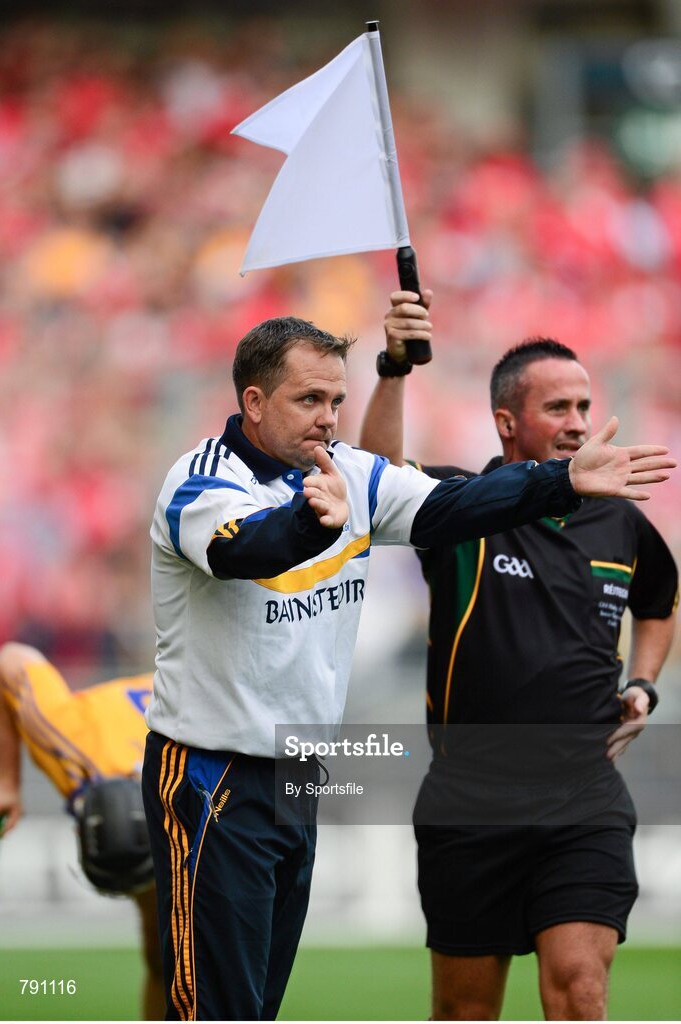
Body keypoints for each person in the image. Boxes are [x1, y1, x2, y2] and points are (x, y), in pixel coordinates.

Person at [143, 312, 675, 1021]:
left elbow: (455, 503)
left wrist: (561, 481)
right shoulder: (203, 482)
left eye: (336, 401)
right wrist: (311, 523)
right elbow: (248, 550)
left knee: (258, 1003)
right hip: (214, 768)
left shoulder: (349, 473)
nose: (329, 418)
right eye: (310, 401)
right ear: (254, 402)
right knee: (216, 1007)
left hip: (298, 769)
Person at [360, 291, 679, 1021]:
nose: (578, 423)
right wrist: (394, 368)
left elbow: (660, 602)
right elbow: (373, 479)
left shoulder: (621, 521)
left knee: (579, 990)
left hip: (583, 799)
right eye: (558, 407)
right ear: (507, 422)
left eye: (584, 406)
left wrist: (644, 684)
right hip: (469, 802)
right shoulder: (458, 507)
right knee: (465, 1013)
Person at [0, 642, 162, 1021]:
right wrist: (4, 780)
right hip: (156, 766)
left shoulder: (199, 778)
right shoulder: (63, 735)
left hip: (188, 745)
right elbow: (11, 660)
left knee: (175, 955)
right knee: (164, 954)